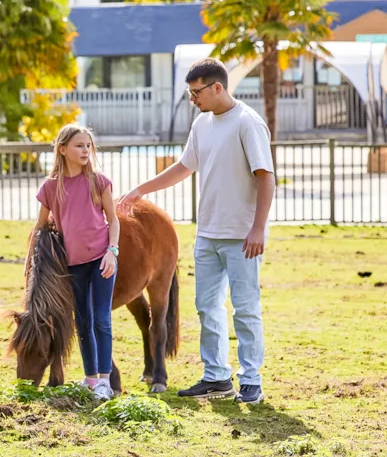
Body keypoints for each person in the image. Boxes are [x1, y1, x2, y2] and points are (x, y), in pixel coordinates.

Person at [117, 58, 275, 404]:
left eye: (196, 92)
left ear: (217, 87)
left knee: (245, 308)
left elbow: (266, 176)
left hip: (242, 236)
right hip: (208, 235)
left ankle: (251, 381)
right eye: (190, 93)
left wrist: (258, 228)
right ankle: (216, 376)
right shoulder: (202, 124)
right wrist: (140, 190)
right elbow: (184, 166)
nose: (193, 99)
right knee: (207, 307)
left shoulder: (248, 124)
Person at [25, 124, 120, 401]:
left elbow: (112, 220)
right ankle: (91, 379)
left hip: (102, 260)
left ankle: (105, 381)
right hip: (73, 265)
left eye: (89, 146)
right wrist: (29, 261)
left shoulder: (99, 181)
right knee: (83, 321)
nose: (86, 151)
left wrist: (112, 251)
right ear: (62, 149)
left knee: (102, 319)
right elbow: (40, 226)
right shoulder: (51, 187)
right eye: (79, 145)